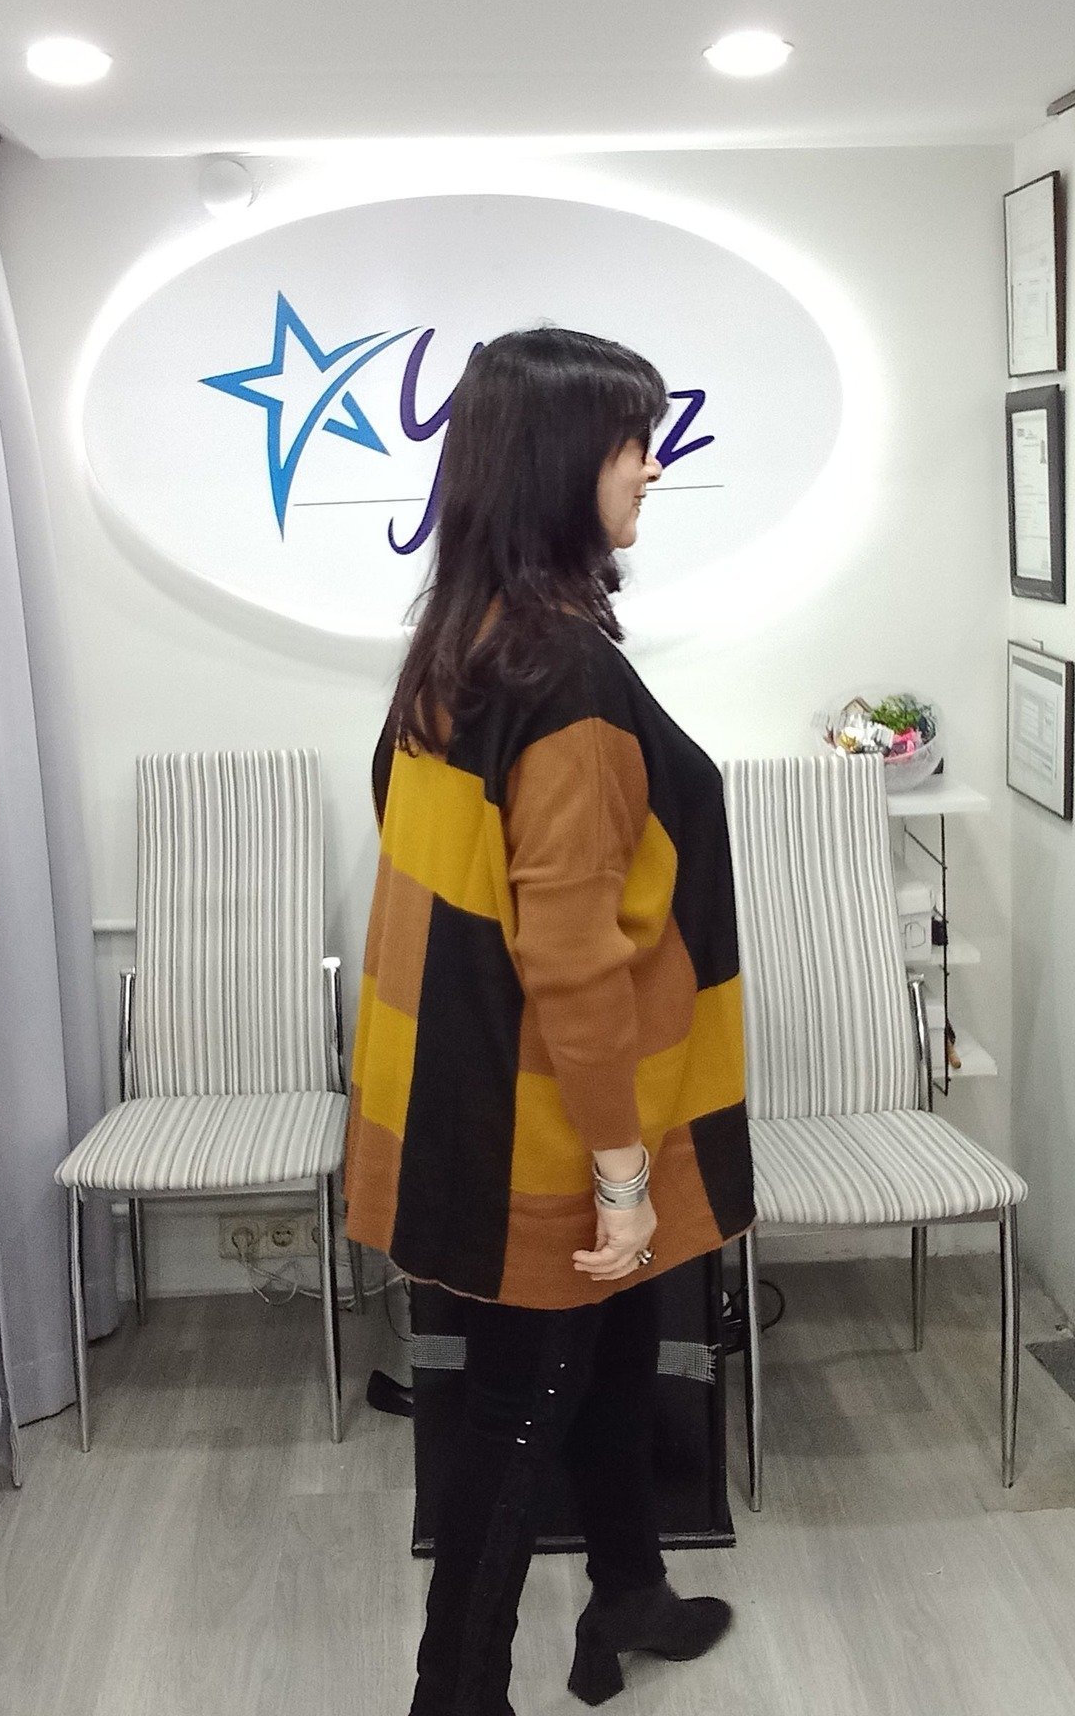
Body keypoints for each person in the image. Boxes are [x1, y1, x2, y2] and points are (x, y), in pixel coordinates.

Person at [344, 327, 756, 1715]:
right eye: (633, 443)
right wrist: (624, 1178)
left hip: (467, 1090)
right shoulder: (563, 682)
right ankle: (454, 1690)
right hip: (553, 1120)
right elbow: (571, 961)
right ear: (562, 464)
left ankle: (626, 1588)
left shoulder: (463, 648)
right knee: (518, 1412)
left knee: (620, 1336)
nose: (652, 468)